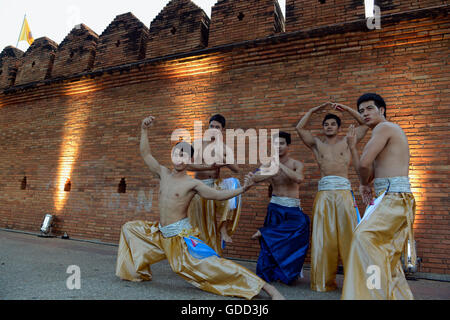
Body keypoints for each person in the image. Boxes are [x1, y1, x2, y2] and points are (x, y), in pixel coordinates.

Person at [115, 115, 285, 300]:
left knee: (212, 266)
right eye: (177, 154)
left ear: (190, 160)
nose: (179, 158)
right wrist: (144, 130)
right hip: (159, 233)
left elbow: (218, 195)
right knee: (129, 229)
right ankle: (136, 273)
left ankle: (266, 287)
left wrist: (242, 189)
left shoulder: (191, 184)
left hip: (180, 239)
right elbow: (146, 154)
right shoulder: (163, 173)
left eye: (184, 156)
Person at [341, 93, 416, 300]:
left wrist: (365, 183)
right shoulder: (381, 133)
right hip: (390, 197)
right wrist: (352, 147)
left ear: (382, 110)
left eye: (369, 108)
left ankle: (370, 295)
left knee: (363, 238)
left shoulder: (384, 128)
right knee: (384, 251)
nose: (364, 113)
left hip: (394, 196)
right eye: (361, 110)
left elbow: (365, 167)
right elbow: (366, 171)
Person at [295, 102, 369, 292]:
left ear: (338, 127)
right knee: (323, 238)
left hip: (344, 192)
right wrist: (313, 110)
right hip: (324, 193)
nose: (329, 126)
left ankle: (355, 282)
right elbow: (299, 128)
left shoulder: (347, 141)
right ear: (323, 128)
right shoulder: (317, 144)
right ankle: (323, 282)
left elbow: (364, 125)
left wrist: (346, 108)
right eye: (326, 124)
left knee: (350, 236)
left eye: (333, 124)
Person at [250, 131, 310, 285]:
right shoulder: (268, 164)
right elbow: (254, 178)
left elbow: (298, 178)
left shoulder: (296, 164)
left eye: (282, 143)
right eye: (276, 144)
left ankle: (264, 233)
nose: (279, 147)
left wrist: (280, 165)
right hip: (276, 206)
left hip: (293, 208)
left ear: (288, 145)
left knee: (302, 226)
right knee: (271, 245)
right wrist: (270, 169)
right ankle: (267, 274)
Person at [187, 114, 241, 255]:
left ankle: (223, 229)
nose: (213, 129)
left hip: (215, 186)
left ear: (222, 130)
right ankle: (196, 254)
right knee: (199, 223)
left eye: (217, 127)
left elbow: (236, 169)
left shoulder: (223, 148)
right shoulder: (197, 144)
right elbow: (187, 165)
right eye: (211, 126)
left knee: (234, 184)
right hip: (199, 187)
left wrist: (222, 158)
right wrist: (207, 166)